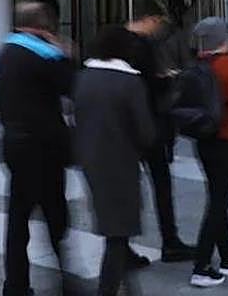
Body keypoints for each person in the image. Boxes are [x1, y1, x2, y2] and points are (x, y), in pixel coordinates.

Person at [0, 0, 75, 296]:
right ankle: (68, 281)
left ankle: (15, 284)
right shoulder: (44, 56)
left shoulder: (6, 52)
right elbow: (71, 86)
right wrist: (64, 54)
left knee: (18, 219)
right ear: (41, 27)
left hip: (14, 144)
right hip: (44, 149)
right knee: (56, 216)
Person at [76, 25, 159, 296]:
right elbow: (146, 133)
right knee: (118, 234)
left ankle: (127, 287)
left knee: (115, 229)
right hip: (121, 165)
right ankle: (108, 289)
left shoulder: (84, 77)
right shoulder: (130, 82)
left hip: (91, 161)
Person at [121, 0, 194, 265]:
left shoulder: (115, 40)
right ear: (150, 20)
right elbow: (148, 85)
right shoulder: (143, 45)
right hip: (148, 123)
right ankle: (170, 241)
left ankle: (123, 245)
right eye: (158, 23)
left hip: (125, 126)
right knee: (160, 184)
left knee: (129, 187)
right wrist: (166, 80)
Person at [189, 18, 228, 288]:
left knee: (216, 196)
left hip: (204, 137)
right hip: (227, 139)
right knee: (218, 202)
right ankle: (202, 265)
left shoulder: (199, 64)